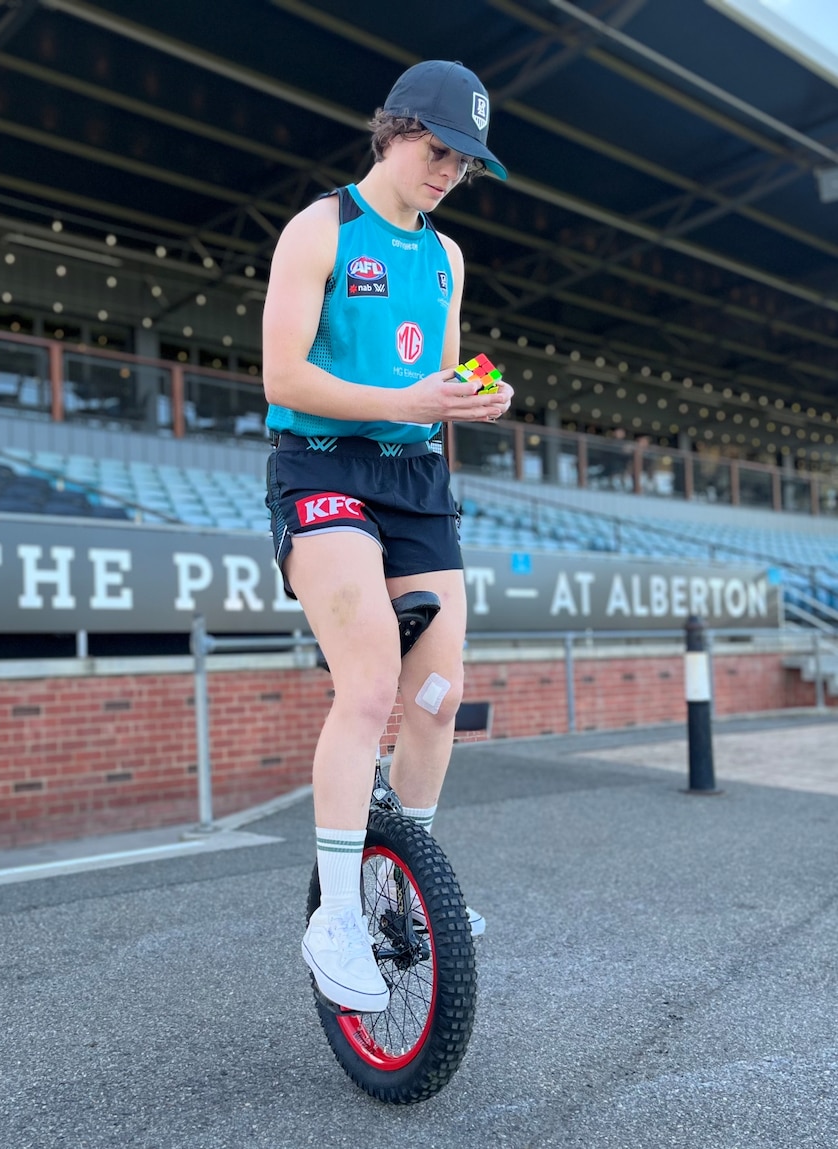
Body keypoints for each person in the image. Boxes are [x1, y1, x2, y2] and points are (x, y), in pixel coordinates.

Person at [262, 60, 512, 1013]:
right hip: (321, 465)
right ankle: (333, 915)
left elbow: (437, 382)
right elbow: (283, 378)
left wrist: (474, 396)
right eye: (439, 149)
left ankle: (398, 884)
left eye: (466, 162)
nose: (450, 171)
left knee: (441, 696)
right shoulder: (320, 228)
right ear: (394, 129)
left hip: (414, 479)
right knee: (369, 687)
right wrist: (405, 401)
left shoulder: (447, 258)